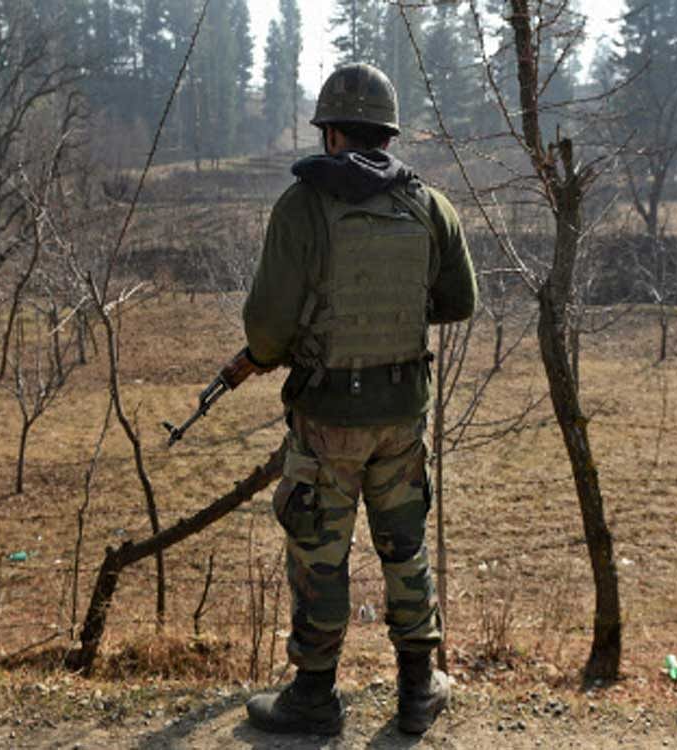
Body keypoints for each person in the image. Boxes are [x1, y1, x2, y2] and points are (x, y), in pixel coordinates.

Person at [241, 63, 477, 736]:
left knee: (321, 553)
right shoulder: (428, 204)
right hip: (402, 416)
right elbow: (459, 302)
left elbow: (265, 330)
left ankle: (315, 696)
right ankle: (416, 691)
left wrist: (288, 343)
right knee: (405, 550)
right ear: (386, 134)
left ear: (335, 134)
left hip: (327, 422)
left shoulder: (302, 206)